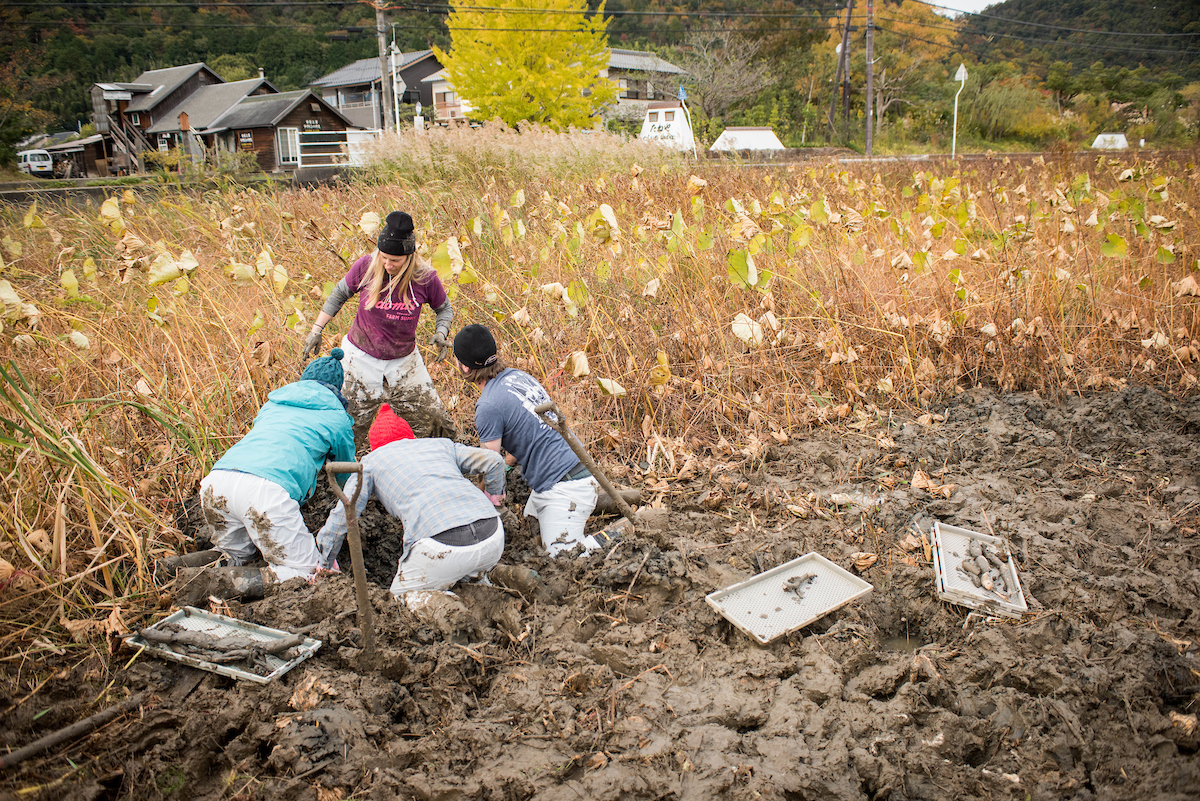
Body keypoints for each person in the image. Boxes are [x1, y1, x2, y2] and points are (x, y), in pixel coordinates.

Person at [172, 348, 356, 595]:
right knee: (308, 573)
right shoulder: (336, 417)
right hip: (265, 491)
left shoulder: (273, 404)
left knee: (234, 555)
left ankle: (171, 570)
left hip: (218, 482)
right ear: (337, 390)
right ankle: (209, 585)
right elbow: (346, 472)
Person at [452, 324, 620, 557]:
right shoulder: (519, 377)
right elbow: (528, 429)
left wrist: (485, 505)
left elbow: (489, 467)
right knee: (531, 529)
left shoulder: (487, 406)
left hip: (565, 486)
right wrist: (509, 463)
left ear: (464, 367)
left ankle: (623, 531)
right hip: (576, 468)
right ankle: (593, 506)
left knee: (564, 556)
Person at [315, 404, 507, 598]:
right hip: (493, 535)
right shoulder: (440, 445)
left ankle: (446, 608)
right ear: (410, 437)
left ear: (374, 446)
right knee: (469, 575)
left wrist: (324, 563)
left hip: (440, 547)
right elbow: (495, 461)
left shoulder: (369, 463)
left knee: (398, 600)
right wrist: (493, 502)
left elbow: (345, 514)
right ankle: (493, 582)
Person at [301, 210, 453, 427]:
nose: (388, 264)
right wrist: (316, 330)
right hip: (360, 356)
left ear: (409, 257)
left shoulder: (425, 277)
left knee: (433, 420)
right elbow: (338, 295)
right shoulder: (366, 266)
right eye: (384, 257)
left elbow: (444, 309)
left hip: (403, 359)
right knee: (349, 422)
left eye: (395, 260)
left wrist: (441, 332)